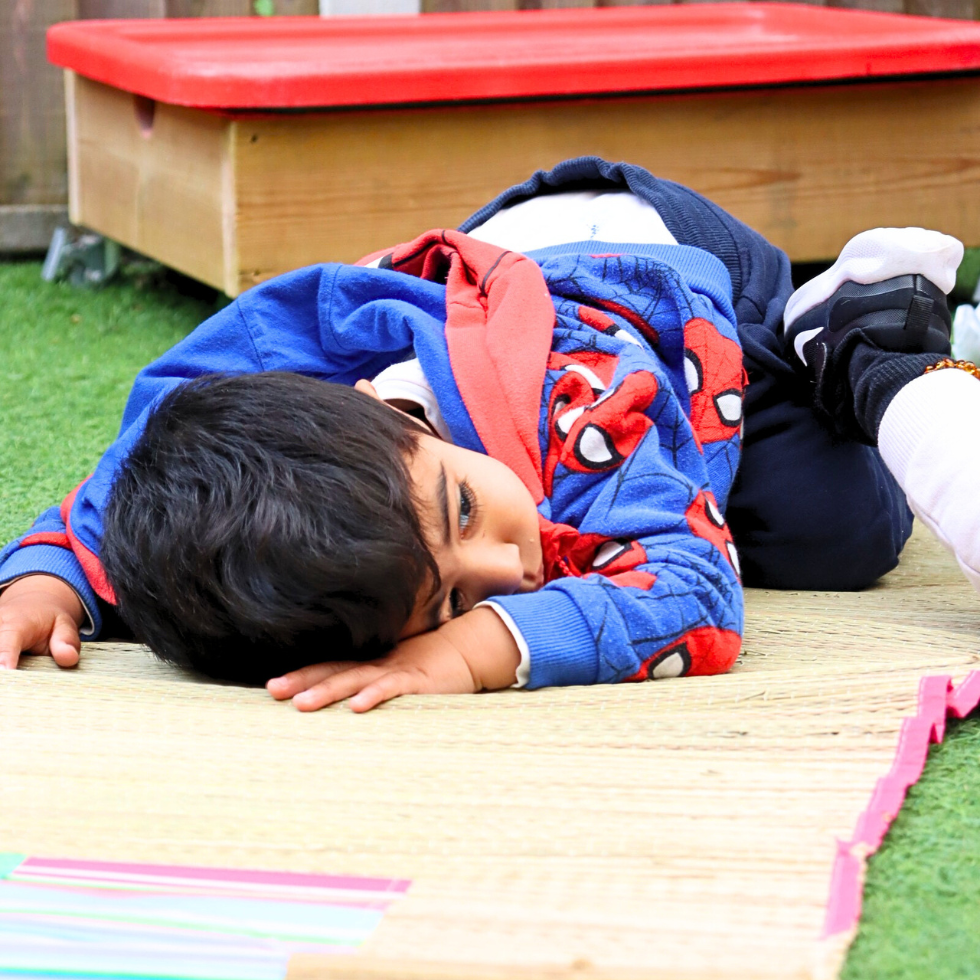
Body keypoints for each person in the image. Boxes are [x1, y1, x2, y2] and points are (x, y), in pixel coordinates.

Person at [0, 158, 976, 713]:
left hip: (671, 275)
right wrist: (51, 577)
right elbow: (144, 490)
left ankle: (848, 325)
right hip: (510, 248)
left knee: (837, 532)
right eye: (453, 601)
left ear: (390, 411)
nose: (510, 567)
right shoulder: (297, 445)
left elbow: (693, 589)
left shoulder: (579, 409)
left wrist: (467, 649)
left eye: (463, 511)